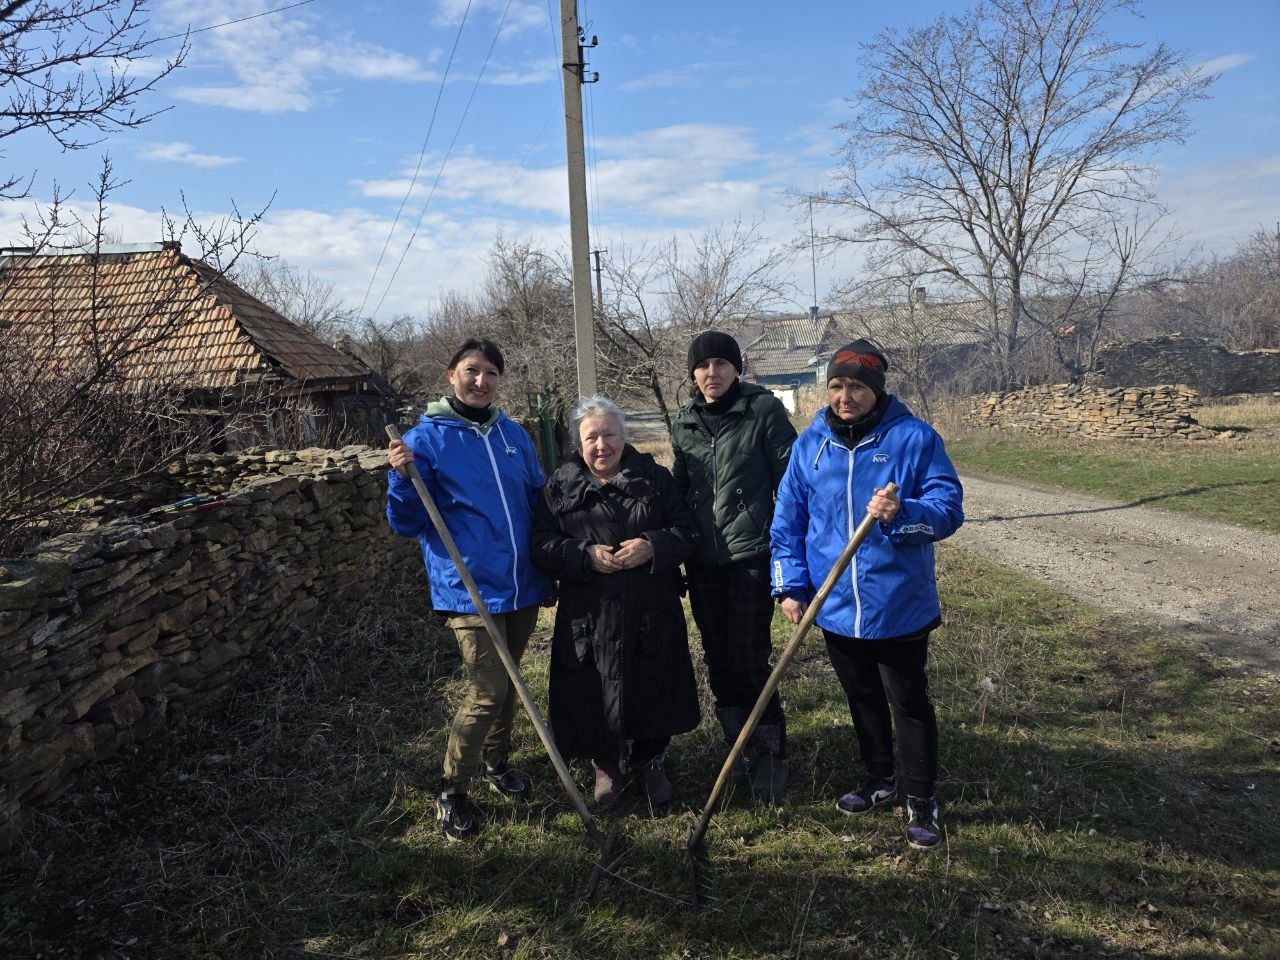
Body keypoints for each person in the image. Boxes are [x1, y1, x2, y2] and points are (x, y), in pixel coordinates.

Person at [769, 339, 964, 850]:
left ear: (876, 389)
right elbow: (788, 522)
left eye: (856, 386)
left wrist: (906, 514)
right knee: (861, 697)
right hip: (833, 604)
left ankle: (921, 797)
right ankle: (880, 778)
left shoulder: (914, 439)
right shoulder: (810, 446)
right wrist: (789, 586)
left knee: (909, 701)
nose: (844, 396)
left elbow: (949, 508)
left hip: (898, 602)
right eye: (836, 385)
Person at [386, 338, 551, 842]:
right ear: (451, 374)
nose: (481, 381)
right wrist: (400, 477)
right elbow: (406, 521)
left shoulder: (514, 435)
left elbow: (538, 499)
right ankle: (453, 788)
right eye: (471, 371)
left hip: (520, 583)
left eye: (491, 373)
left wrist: (551, 565)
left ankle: (497, 764)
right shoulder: (426, 440)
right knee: (488, 687)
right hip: (468, 586)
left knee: (512, 682)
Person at [531, 396, 701, 809]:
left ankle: (649, 761)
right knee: (590, 688)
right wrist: (582, 555)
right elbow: (539, 545)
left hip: (650, 609)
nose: (602, 444)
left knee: (652, 683)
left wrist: (652, 545)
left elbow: (688, 532)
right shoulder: (559, 486)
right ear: (578, 442)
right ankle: (605, 764)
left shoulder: (654, 480)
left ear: (624, 437)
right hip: (588, 614)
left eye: (610, 434)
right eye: (592, 436)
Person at [671, 330, 797, 801]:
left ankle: (770, 751)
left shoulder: (762, 410)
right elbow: (681, 494)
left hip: (751, 555)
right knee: (718, 659)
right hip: (705, 560)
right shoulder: (684, 424)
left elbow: (790, 479)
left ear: (736, 368)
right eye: (702, 366)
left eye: (721, 364)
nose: (711, 373)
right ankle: (737, 748)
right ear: (693, 374)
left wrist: (784, 543)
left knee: (748, 657)